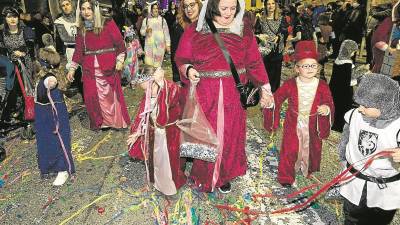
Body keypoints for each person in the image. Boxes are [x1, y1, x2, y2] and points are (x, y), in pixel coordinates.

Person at [175, 0, 273, 193]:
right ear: (213, 6)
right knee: (207, 134)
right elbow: (182, 58)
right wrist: (189, 69)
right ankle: (205, 174)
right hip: (206, 92)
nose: (229, 13)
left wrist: (265, 88)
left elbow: (254, 61)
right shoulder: (197, 27)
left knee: (230, 134)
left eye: (233, 8)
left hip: (233, 93)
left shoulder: (243, 28)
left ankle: (224, 175)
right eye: (224, 8)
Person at [263, 40, 334, 187]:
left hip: (313, 124)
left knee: (311, 147)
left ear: (318, 67)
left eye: (313, 65)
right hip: (293, 122)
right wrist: (270, 103)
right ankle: (286, 176)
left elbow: (329, 101)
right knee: (290, 149)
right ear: (297, 68)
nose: (310, 68)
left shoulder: (322, 85)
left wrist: (326, 109)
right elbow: (278, 98)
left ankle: (306, 168)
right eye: (305, 66)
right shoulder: (290, 84)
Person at [338, 73, 400, 225]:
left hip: (385, 188)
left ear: (384, 105)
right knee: (352, 218)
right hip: (354, 182)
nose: (360, 109)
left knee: (379, 221)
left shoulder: (397, 126)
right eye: (359, 103)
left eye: (365, 105)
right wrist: (342, 159)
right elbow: (345, 139)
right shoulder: (354, 116)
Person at [67, 0, 130, 130]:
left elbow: (120, 44)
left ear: (95, 9)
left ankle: (115, 121)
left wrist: (119, 60)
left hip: (109, 67)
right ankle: (101, 122)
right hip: (89, 70)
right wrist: (72, 69)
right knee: (92, 97)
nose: (86, 12)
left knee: (110, 96)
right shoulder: (81, 28)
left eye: (89, 8)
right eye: (83, 9)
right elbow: (79, 50)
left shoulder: (107, 23)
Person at [127, 65, 186, 196]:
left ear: (156, 81)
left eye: (150, 88)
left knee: (169, 162)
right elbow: (143, 116)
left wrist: (162, 86)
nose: (148, 93)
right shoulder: (149, 94)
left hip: (170, 134)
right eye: (144, 90)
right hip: (156, 134)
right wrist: (138, 132)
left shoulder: (171, 89)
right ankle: (158, 182)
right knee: (157, 160)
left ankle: (170, 186)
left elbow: (163, 118)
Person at [34, 39, 75, 186]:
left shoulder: (50, 78)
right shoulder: (41, 75)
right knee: (45, 140)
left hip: (53, 112)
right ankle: (51, 165)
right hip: (42, 112)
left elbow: (57, 84)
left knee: (58, 139)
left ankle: (63, 168)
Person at [0, 7, 35, 123]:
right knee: (12, 89)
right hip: (10, 64)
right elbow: (2, 50)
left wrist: (22, 51)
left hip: (25, 62)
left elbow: (29, 45)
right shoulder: (2, 33)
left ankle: (30, 113)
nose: (12, 19)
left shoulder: (26, 30)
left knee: (26, 88)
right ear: (5, 19)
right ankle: (14, 112)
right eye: (9, 17)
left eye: (14, 16)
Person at [255, 0, 285, 93]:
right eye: (268, 4)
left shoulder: (281, 18)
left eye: (272, 3)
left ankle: (274, 97)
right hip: (265, 52)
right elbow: (256, 33)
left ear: (275, 5)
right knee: (265, 76)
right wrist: (260, 37)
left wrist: (278, 37)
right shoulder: (261, 19)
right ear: (265, 6)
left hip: (277, 52)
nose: (270, 6)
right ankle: (265, 97)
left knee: (275, 77)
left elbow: (284, 31)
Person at [170, 0, 202, 85]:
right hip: (187, 76)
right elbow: (175, 54)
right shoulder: (179, 28)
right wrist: (177, 79)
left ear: (199, 5)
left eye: (192, 5)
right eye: (185, 6)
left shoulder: (209, 25)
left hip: (208, 76)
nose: (189, 9)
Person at [329, 39, 358, 132]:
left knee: (335, 108)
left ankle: (333, 124)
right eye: (353, 51)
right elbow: (352, 82)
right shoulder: (349, 64)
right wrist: (361, 73)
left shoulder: (337, 60)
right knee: (344, 110)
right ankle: (340, 127)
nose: (353, 54)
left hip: (334, 89)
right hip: (345, 92)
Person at [140, 2, 170, 67]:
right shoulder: (146, 20)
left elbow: (166, 33)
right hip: (149, 46)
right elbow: (141, 32)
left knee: (158, 66)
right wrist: (146, 31)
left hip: (160, 47)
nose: (155, 10)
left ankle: (157, 76)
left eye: (157, 8)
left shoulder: (162, 20)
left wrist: (168, 45)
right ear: (151, 9)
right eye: (154, 8)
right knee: (149, 65)